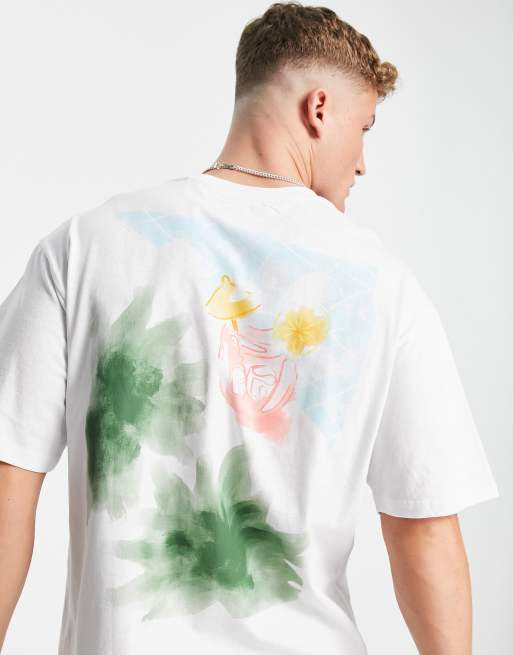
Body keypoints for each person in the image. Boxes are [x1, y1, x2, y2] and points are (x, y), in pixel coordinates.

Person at [0, 3, 499, 654]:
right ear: (319, 109)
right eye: (364, 128)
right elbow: (423, 530)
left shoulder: (84, 247)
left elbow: (8, 482)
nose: (362, 164)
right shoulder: (383, 283)